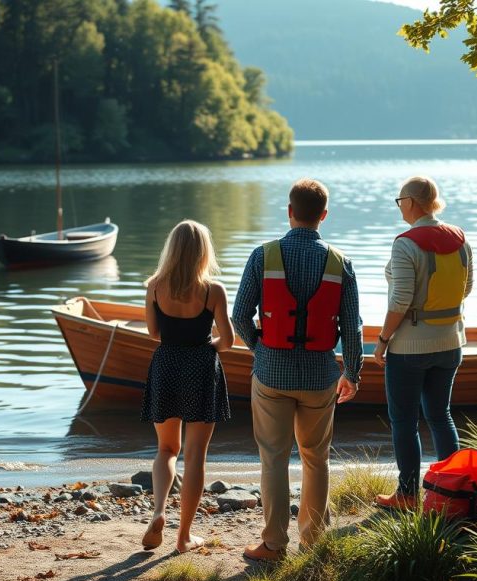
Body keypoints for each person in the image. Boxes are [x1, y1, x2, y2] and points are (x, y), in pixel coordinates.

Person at [231, 178, 363, 561]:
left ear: (289, 212)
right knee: (315, 459)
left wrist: (261, 348)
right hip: (321, 377)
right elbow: (352, 329)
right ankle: (313, 542)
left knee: (273, 457)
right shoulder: (341, 263)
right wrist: (352, 373)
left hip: (272, 374)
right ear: (323, 215)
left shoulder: (263, 255)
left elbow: (240, 316)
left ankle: (273, 545)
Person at [371, 176, 474, 510]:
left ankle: (406, 495)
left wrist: (383, 340)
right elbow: (467, 286)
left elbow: (399, 301)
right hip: (450, 343)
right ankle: (452, 493)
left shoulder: (405, 243)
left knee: (404, 420)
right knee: (440, 416)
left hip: (409, 349)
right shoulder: (459, 238)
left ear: (412, 202)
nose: (400, 207)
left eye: (400, 200)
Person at [139, 220, 234, 554]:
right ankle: (183, 538)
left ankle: (159, 511)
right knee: (195, 455)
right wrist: (209, 346)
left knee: (167, 450)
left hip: (165, 365)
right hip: (200, 367)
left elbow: (153, 333)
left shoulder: (154, 286)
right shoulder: (213, 290)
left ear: (172, 249)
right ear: (203, 252)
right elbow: (229, 341)